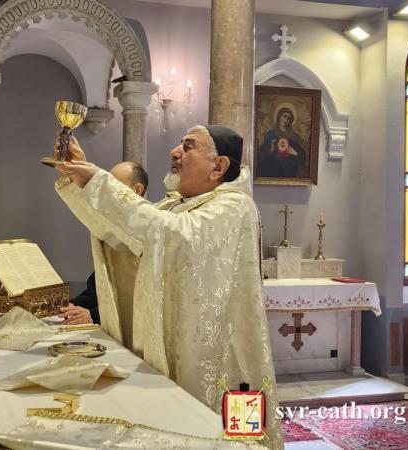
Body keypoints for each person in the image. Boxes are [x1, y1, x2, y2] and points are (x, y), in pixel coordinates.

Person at [53, 125, 283, 449]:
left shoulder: (235, 206)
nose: (174, 152)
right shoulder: (174, 204)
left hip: (217, 355)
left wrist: (98, 182)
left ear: (218, 166)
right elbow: (119, 236)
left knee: (227, 437)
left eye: (188, 146)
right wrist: (80, 180)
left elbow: (175, 236)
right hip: (170, 343)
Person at [59, 161, 148, 326]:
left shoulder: (147, 229)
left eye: (114, 185)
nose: (107, 191)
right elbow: (98, 286)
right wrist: (72, 305)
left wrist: (94, 315)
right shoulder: (110, 224)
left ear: (137, 190)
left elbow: (140, 299)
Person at [258, 105, 306, 178]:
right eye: (284, 116)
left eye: (289, 118)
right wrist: (271, 150)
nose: (286, 120)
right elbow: (261, 155)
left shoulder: (294, 137)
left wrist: (294, 153)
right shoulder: (271, 134)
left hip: (289, 174)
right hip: (273, 173)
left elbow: (302, 157)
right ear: (279, 117)